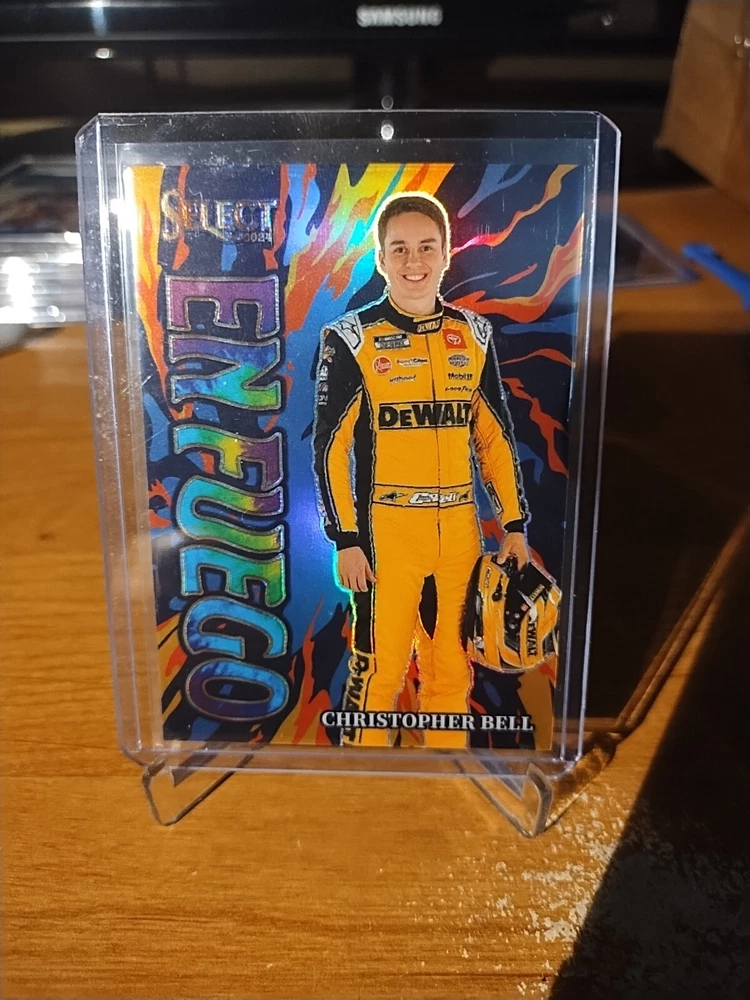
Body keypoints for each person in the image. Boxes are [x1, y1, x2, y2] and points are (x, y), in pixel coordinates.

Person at [312, 192, 529, 748]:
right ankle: (367, 783)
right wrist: (346, 539)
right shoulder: (350, 338)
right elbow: (331, 447)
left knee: (453, 668)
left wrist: (513, 524)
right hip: (387, 534)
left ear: (447, 254)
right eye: (400, 248)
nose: (414, 261)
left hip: (460, 531)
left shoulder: (474, 335)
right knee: (381, 669)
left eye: (427, 247)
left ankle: (445, 777)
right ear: (381, 259)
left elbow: (493, 437)